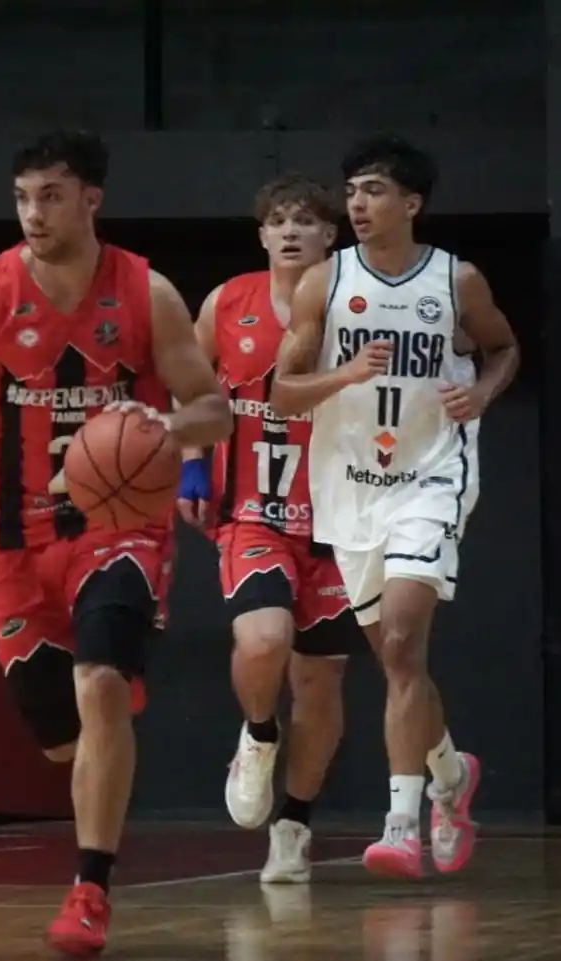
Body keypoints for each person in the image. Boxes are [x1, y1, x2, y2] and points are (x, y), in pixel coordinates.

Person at [0, 129, 231, 956]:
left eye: (50, 195)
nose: (33, 213)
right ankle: (102, 734)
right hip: (11, 539)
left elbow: (214, 407)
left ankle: (88, 888)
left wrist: (164, 423)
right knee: (61, 733)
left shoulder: (145, 291)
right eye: (21, 197)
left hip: (118, 528)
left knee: (100, 681)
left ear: (91, 199)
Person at [270, 134, 519, 879]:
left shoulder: (455, 281)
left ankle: (398, 823)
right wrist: (342, 372)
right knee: (392, 660)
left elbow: (503, 348)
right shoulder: (324, 282)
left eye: (373, 190)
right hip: (349, 488)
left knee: (406, 643)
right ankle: (449, 774)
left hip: (430, 476)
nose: (356, 203)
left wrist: (479, 392)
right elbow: (281, 394)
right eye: (351, 190)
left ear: (410, 203)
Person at [177, 174, 359, 883]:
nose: (288, 230)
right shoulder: (227, 301)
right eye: (276, 220)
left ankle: (294, 823)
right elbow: (191, 387)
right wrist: (192, 467)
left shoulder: (359, 306)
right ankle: (256, 734)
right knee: (263, 638)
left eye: (304, 220)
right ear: (260, 235)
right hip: (252, 509)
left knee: (319, 684)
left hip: (340, 518)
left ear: (329, 235)